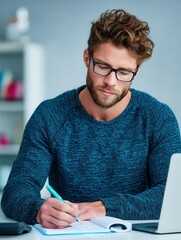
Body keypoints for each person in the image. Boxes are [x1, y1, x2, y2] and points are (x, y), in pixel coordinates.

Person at [1, 9, 181, 229]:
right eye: (103, 66)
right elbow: (16, 191)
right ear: (87, 58)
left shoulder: (158, 118)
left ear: (137, 70)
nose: (111, 81)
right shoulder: (49, 116)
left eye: (124, 72)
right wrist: (38, 209)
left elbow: (172, 195)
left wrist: (103, 207)